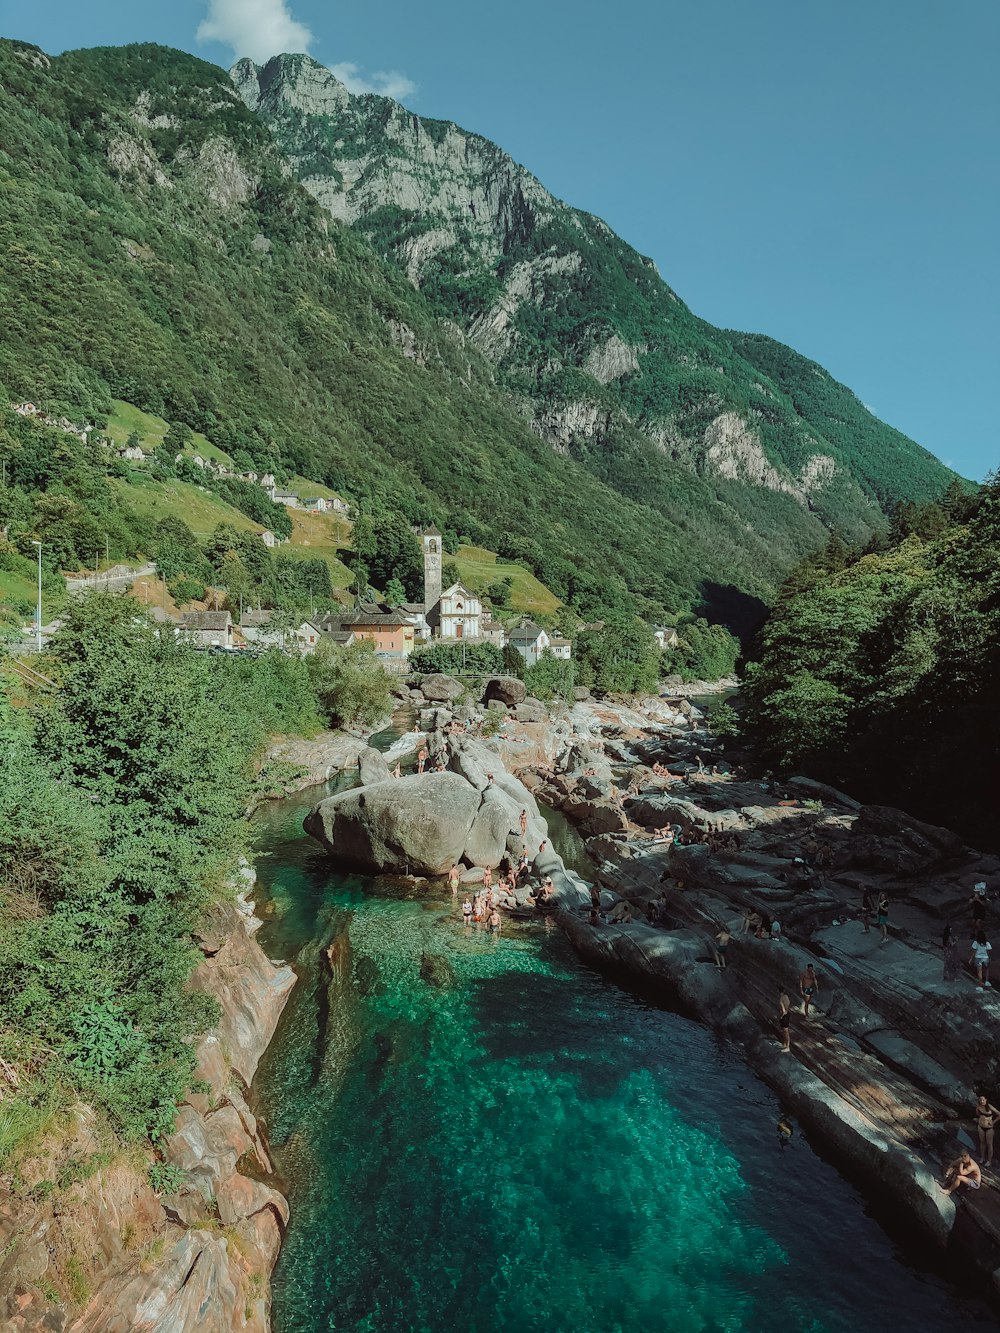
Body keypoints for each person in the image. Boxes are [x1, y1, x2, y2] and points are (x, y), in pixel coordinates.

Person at [975, 1095, 1000, 1166]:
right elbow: (978, 1114)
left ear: (986, 1100)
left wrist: (993, 1122)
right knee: (982, 1142)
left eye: (983, 1100)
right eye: (980, 1100)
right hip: (981, 1126)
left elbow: (999, 1114)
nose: (982, 1101)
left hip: (989, 1128)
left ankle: (989, 1160)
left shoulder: (989, 1106)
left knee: (989, 1144)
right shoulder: (978, 1106)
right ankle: (982, 1157)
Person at [778, 986, 792, 1051]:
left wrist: (781, 1016)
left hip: (784, 1015)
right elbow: (788, 1004)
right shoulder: (786, 997)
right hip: (788, 1013)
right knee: (785, 1031)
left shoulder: (781, 999)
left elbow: (783, 1010)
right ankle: (784, 1044)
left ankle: (787, 1047)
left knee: (786, 1032)